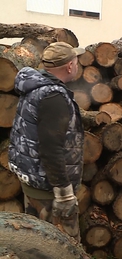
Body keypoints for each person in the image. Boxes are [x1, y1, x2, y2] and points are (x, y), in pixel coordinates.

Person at [8, 42, 85, 242]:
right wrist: (64, 194)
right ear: (69, 66)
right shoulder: (53, 96)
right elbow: (51, 149)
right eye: (75, 61)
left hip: (35, 183)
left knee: (36, 244)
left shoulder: (35, 87)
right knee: (62, 247)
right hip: (48, 190)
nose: (77, 66)